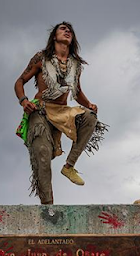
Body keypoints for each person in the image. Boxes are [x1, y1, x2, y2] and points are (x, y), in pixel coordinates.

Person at [14, 21, 108, 204]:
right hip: (40, 110)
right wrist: (23, 100)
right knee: (42, 153)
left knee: (90, 118)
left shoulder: (75, 65)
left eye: (70, 30)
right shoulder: (41, 58)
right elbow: (19, 81)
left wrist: (89, 103)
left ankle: (69, 166)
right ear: (54, 36)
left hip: (61, 110)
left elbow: (77, 91)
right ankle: (48, 207)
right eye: (63, 29)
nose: (67, 31)